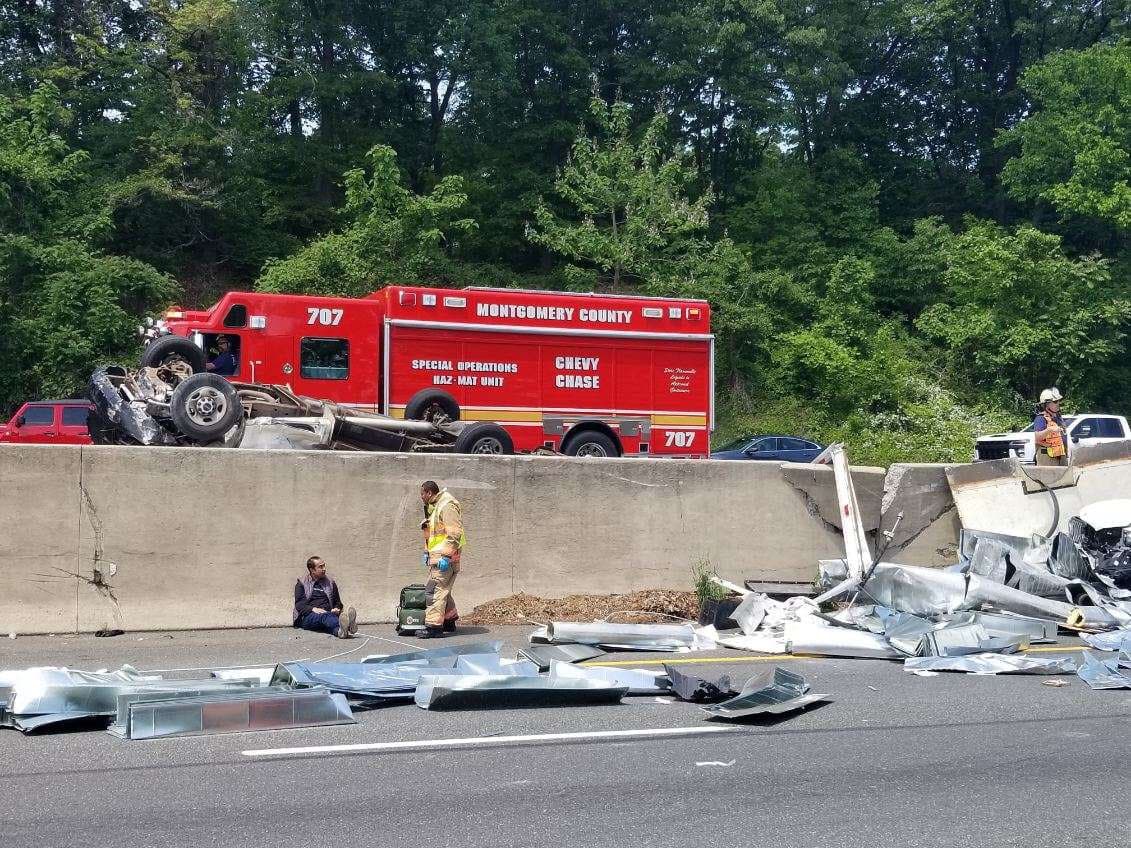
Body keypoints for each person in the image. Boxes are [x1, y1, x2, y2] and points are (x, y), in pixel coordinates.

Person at [418, 480, 465, 638]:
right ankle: (449, 619)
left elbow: (454, 533)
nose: (421, 497)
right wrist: (427, 552)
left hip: (445, 558)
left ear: (429, 493)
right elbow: (432, 534)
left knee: (434, 590)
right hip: (438, 557)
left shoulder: (447, 505)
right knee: (443, 589)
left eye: (422, 494)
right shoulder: (435, 507)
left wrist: (445, 556)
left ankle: (434, 627)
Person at [293, 556, 357, 638]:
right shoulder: (302, 583)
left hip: (329, 615)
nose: (324, 569)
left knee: (329, 624)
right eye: (320, 567)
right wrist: (313, 609)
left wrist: (337, 609)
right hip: (308, 617)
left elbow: (338, 602)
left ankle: (340, 632)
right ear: (312, 570)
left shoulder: (330, 582)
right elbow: (299, 605)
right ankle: (349, 627)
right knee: (326, 616)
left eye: (324, 565)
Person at [1033, 387, 1069, 467]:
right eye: (1055, 401)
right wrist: (1049, 430)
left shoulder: (1058, 418)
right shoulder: (1041, 418)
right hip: (1047, 459)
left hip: (1060, 455)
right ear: (1046, 404)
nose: (1058, 403)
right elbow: (1037, 437)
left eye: (1059, 401)